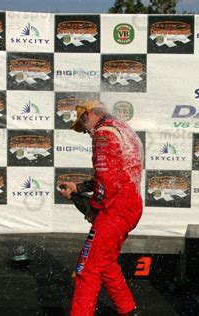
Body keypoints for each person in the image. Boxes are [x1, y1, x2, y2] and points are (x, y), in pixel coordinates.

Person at [59, 100, 143, 316]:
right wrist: (78, 188)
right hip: (127, 205)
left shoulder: (103, 134)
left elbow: (106, 181)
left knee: (86, 269)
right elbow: (112, 175)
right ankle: (128, 309)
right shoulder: (121, 128)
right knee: (104, 261)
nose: (85, 131)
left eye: (83, 124)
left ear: (89, 115)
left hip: (115, 210)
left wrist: (95, 208)